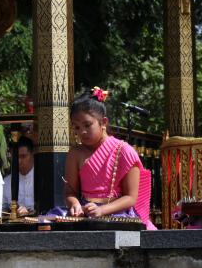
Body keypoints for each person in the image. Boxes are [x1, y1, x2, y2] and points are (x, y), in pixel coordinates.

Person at [64, 87, 155, 229]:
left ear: (104, 122)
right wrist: (75, 204)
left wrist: (101, 210)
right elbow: (70, 192)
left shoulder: (124, 151)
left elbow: (130, 198)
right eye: (76, 127)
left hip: (117, 215)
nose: (82, 132)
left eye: (87, 125)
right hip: (84, 213)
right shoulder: (75, 153)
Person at [2, 136, 34, 215]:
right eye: (16, 157)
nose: (19, 161)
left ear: (32, 155)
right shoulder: (6, 182)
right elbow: (2, 209)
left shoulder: (41, 178)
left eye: (23, 156)